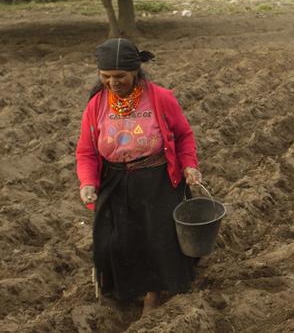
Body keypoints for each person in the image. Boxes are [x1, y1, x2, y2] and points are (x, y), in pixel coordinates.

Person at [76, 38, 203, 316]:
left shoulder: (160, 98)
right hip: (115, 179)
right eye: (106, 76)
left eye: (120, 76)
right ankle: (124, 289)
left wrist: (189, 165)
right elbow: (86, 151)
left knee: (155, 238)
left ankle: (152, 295)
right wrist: (87, 183)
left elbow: (183, 135)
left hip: (156, 178)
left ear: (136, 71)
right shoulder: (96, 105)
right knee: (114, 239)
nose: (113, 82)